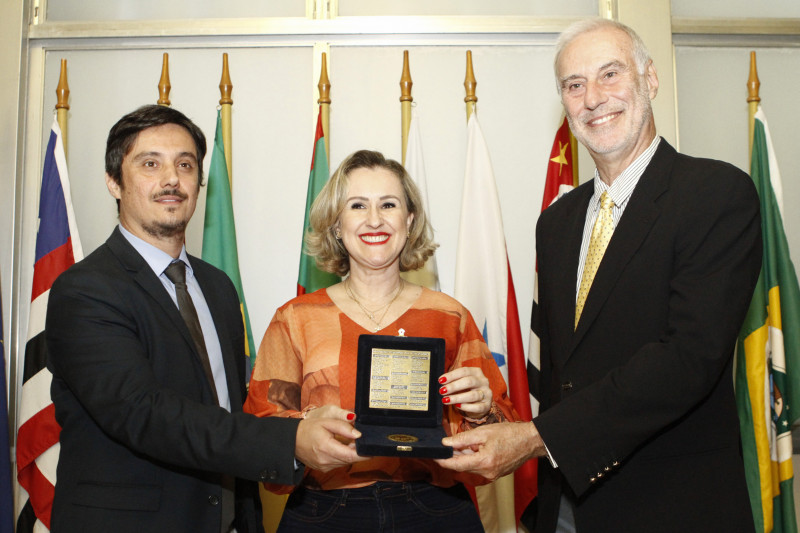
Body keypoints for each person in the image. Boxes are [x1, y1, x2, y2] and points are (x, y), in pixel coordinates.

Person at [436, 18, 762, 533]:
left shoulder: (716, 195)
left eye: (610, 74)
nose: (593, 98)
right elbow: (563, 375)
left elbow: (687, 360)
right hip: (567, 504)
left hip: (674, 507)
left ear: (649, 80)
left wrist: (534, 439)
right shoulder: (557, 224)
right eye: (574, 85)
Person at [45, 105, 362, 533]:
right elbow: (144, 412)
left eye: (185, 164)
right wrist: (290, 441)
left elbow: (229, 405)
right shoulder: (84, 290)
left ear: (199, 182)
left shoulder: (217, 286)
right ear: (114, 182)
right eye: (150, 163)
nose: (171, 178)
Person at [243, 149, 516, 532]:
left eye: (388, 204)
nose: (374, 219)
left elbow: (501, 445)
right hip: (324, 512)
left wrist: (480, 408)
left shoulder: (450, 317)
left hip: (435, 510)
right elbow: (258, 434)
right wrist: (306, 425)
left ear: (409, 219)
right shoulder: (295, 318)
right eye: (357, 205)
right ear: (336, 224)